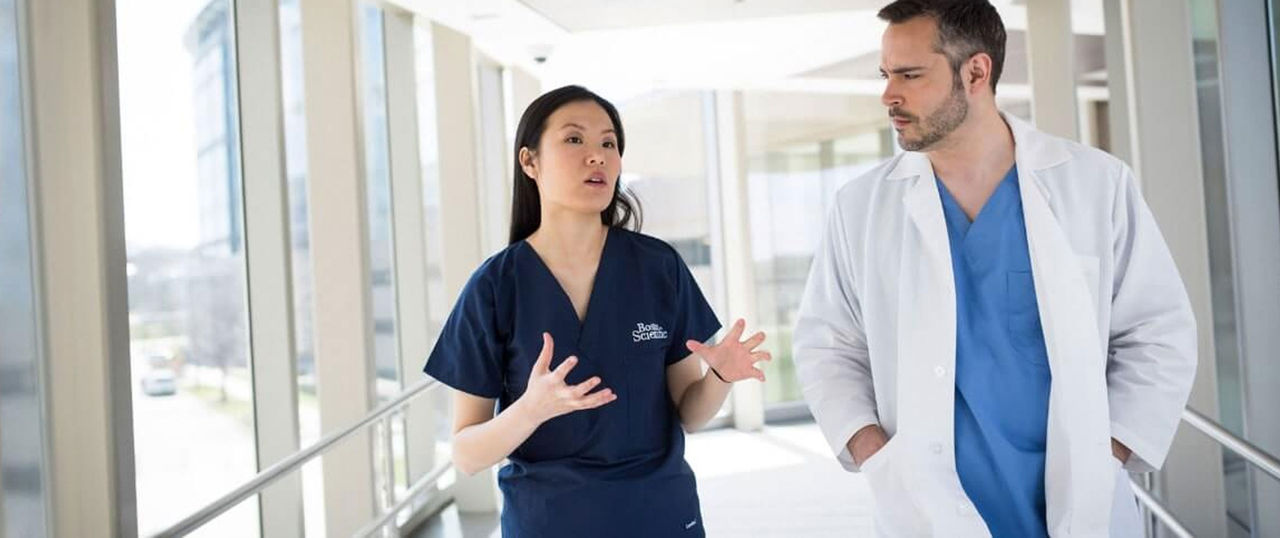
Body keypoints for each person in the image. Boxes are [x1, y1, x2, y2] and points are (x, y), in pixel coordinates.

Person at [792, 1, 1197, 536]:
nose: (889, 94)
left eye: (910, 74)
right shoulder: (862, 206)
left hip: (1078, 503)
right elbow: (827, 345)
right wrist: (875, 453)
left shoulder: (1094, 184)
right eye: (886, 75)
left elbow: (1157, 330)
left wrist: (1109, 453)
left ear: (976, 72)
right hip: (926, 506)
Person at [423, 85, 771, 537]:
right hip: (549, 524)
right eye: (574, 140)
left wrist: (720, 378)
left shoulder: (657, 268)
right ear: (529, 162)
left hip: (660, 517)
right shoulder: (495, 288)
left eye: (608, 143)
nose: (597, 156)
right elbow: (467, 454)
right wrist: (531, 409)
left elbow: (690, 415)